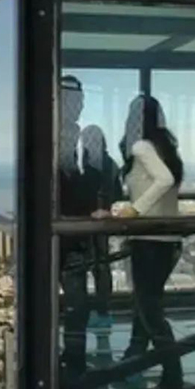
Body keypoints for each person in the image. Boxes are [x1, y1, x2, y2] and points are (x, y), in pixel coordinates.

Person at [114, 94, 184, 389]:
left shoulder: (141, 147)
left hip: (149, 241)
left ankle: (173, 373)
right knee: (145, 306)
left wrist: (135, 210)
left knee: (149, 309)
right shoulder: (164, 148)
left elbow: (164, 180)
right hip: (168, 241)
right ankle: (134, 359)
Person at [58, 75, 92, 389]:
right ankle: (71, 362)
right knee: (74, 303)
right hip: (62, 231)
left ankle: (73, 360)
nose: (77, 105)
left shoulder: (73, 138)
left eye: (78, 100)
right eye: (72, 100)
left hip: (70, 231)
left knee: (76, 303)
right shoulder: (55, 139)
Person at [81, 125, 123, 333]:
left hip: (89, 222)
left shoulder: (89, 165)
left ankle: (93, 311)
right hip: (103, 221)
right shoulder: (110, 164)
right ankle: (103, 311)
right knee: (101, 267)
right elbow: (118, 193)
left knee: (89, 266)